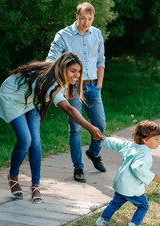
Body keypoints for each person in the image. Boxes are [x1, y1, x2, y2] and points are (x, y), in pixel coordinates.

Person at [0, 52, 103, 204]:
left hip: (32, 98)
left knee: (36, 141)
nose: (77, 75)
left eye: (79, 71)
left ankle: (35, 186)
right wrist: (90, 128)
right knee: (25, 140)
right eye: (73, 71)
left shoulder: (58, 77)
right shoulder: (50, 82)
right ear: (63, 68)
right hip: (12, 96)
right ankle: (13, 176)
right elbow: (69, 109)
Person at [46, 2, 107, 183]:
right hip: (72, 87)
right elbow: (50, 60)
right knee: (76, 128)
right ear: (76, 17)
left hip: (93, 86)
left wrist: (99, 86)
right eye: (83, 18)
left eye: (90, 19)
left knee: (100, 124)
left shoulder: (96, 34)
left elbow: (101, 60)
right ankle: (78, 168)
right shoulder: (63, 36)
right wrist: (61, 83)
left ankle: (94, 153)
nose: (86, 22)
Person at [94, 120, 160, 226]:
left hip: (121, 184)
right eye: (156, 139)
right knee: (143, 205)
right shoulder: (145, 154)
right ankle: (134, 225)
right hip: (131, 188)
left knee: (114, 204)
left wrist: (105, 139)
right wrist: (152, 176)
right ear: (145, 140)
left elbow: (118, 144)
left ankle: (102, 220)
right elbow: (138, 168)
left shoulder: (131, 146)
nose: (159, 141)